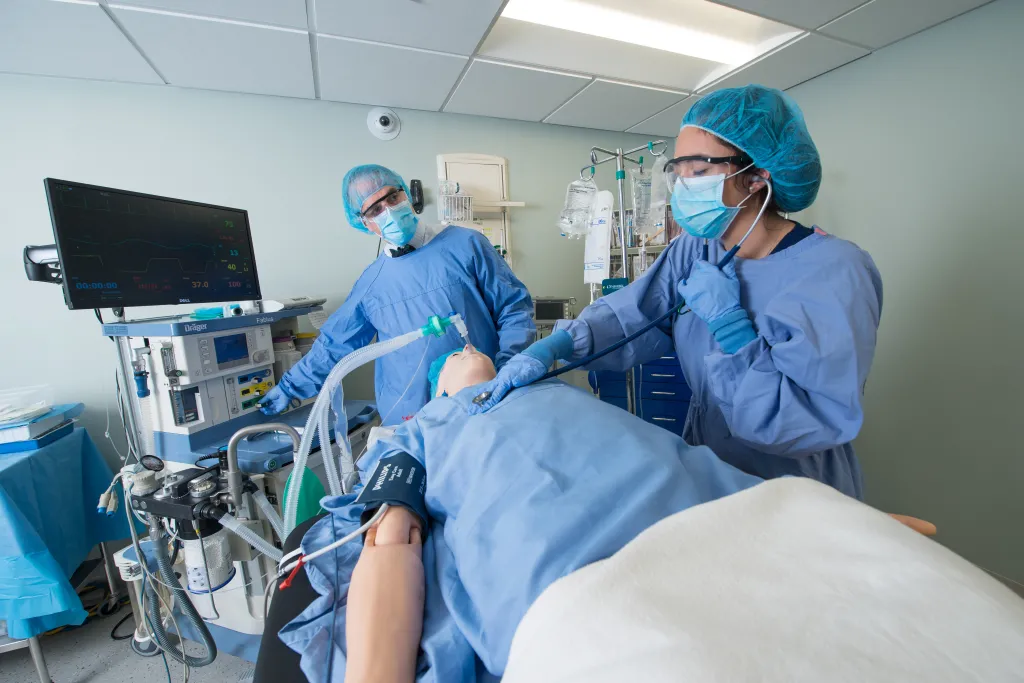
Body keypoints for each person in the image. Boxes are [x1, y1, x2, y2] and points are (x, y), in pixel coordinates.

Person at [472, 84, 883, 499]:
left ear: (757, 178)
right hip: (712, 474)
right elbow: (633, 315)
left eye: (699, 171)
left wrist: (732, 329)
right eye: (678, 170)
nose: (681, 187)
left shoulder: (834, 272)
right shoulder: (696, 248)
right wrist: (557, 346)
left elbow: (797, 426)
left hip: (797, 491)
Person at [277, 347, 762, 681]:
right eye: (453, 355)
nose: (466, 352)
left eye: (470, 349)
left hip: (709, 511)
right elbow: (390, 539)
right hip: (570, 563)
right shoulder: (425, 426)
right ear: (438, 388)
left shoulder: (552, 388)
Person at [258, 164, 535, 425]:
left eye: (392, 197)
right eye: (375, 209)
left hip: (483, 398)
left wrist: (508, 368)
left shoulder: (466, 244)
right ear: (365, 223)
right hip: (409, 415)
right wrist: (289, 387)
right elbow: (335, 345)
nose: (388, 210)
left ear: (406, 194)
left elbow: (513, 309)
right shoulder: (372, 284)